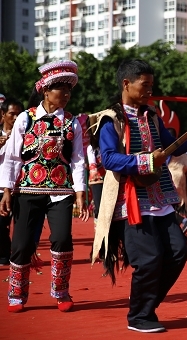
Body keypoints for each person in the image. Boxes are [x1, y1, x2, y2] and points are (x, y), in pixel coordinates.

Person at [90, 59, 187, 333]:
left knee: (178, 252)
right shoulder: (110, 119)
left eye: (151, 85)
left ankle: (145, 307)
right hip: (130, 200)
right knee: (149, 260)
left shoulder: (153, 117)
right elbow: (109, 159)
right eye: (145, 85)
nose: (150, 91)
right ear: (126, 84)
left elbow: (172, 147)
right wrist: (145, 161)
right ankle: (139, 316)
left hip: (160, 197)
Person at [0, 60, 89, 313]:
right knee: (22, 245)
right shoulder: (25, 119)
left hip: (61, 191)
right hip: (28, 190)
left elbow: (78, 160)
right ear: (46, 90)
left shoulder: (72, 123)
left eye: (69, 89)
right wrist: (7, 190)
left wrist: (80, 191)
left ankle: (61, 292)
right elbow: (12, 158)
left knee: (62, 239)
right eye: (62, 89)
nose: (67, 94)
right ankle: (17, 293)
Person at [0, 98, 25, 265]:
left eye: (19, 114)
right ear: (3, 114)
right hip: (1, 189)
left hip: (22, 187)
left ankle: (20, 257)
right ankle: (4, 254)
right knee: (1, 225)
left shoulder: (27, 136)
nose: (15, 118)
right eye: (12, 114)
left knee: (22, 227)